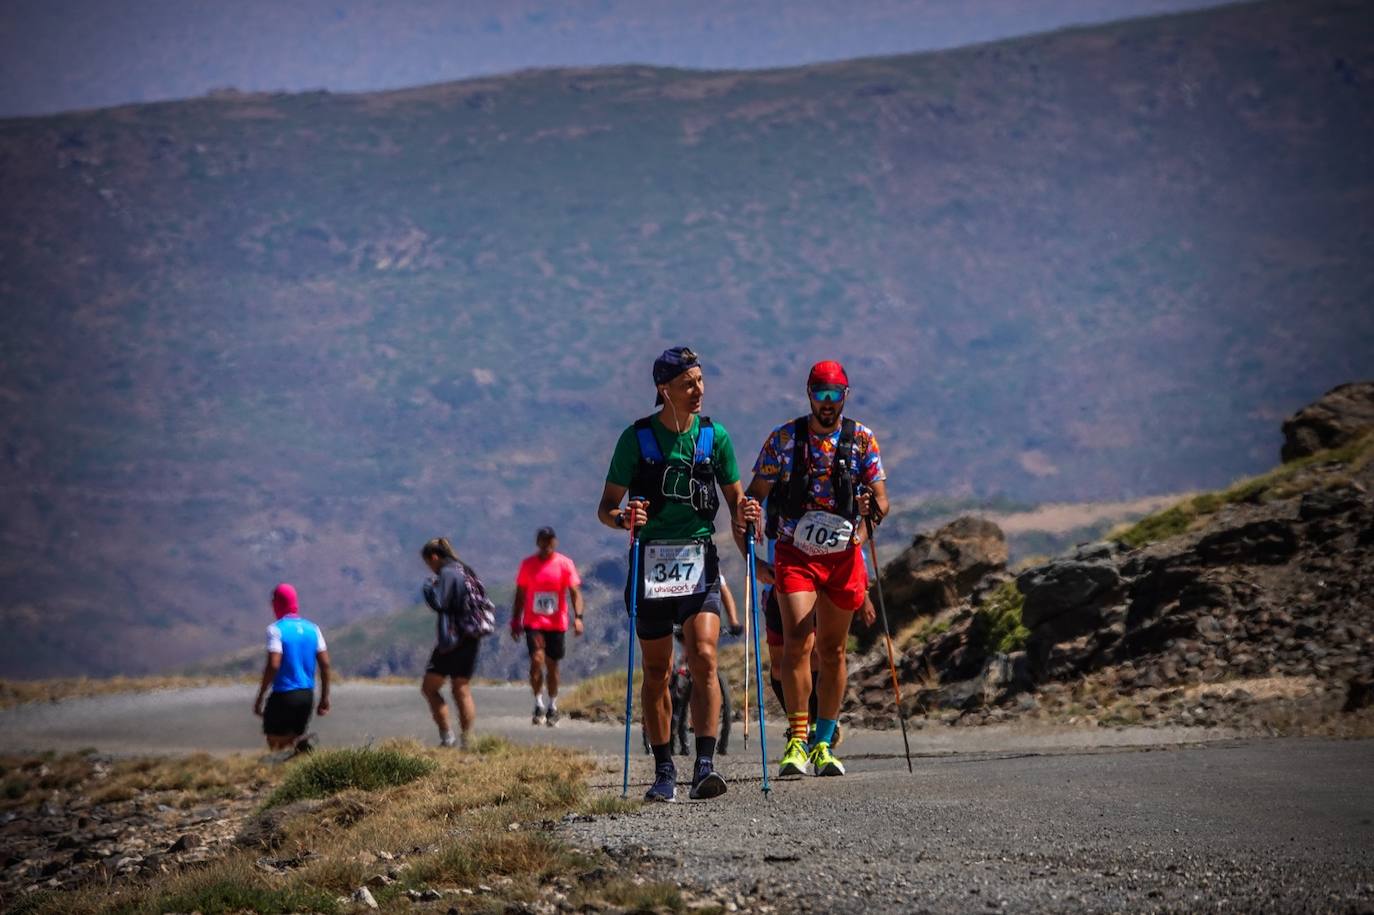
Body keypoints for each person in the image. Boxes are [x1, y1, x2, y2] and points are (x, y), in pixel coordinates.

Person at [598, 345, 752, 802]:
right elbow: (605, 507)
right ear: (664, 389)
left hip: (699, 561)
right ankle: (664, 769)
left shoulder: (714, 437)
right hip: (651, 566)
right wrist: (624, 517)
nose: (698, 390)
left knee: (704, 655)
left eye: (701, 380)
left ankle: (705, 765)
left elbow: (736, 503)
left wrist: (750, 515)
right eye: (688, 383)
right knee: (656, 670)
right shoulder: (637, 439)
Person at [737, 360, 885, 778]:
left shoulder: (861, 441)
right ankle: (797, 740)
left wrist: (866, 520)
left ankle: (824, 742)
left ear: (845, 395)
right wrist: (749, 512)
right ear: (808, 394)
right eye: (820, 394)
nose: (827, 403)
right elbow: (756, 493)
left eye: (834, 395)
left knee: (834, 651)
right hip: (796, 553)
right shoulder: (784, 440)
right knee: (799, 641)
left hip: (841, 556)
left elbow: (882, 502)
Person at [511, 526, 584, 727]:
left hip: (557, 623)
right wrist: (515, 620)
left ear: (555, 542)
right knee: (537, 660)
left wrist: (578, 617)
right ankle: (538, 703)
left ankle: (552, 705)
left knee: (552, 666)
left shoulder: (564, 564)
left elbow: (575, 592)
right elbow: (520, 594)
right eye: (543, 540)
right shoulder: (528, 565)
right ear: (538, 542)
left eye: (550, 540)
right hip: (534, 623)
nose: (547, 544)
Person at [253, 583, 330, 753]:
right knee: (294, 742)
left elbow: (274, 664)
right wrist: (324, 698)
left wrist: (260, 696)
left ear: (277, 603)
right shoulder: (313, 629)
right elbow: (325, 664)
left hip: (284, 695)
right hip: (306, 695)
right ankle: (304, 756)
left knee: (276, 745)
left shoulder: (276, 630)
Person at [420, 537, 481, 748]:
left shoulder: (447, 573)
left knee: (429, 687)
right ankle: (468, 740)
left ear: (434, 557)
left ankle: (447, 737)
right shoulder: (466, 570)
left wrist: (428, 589)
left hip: (452, 640)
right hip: (471, 637)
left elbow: (440, 603)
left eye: (429, 564)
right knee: (461, 688)